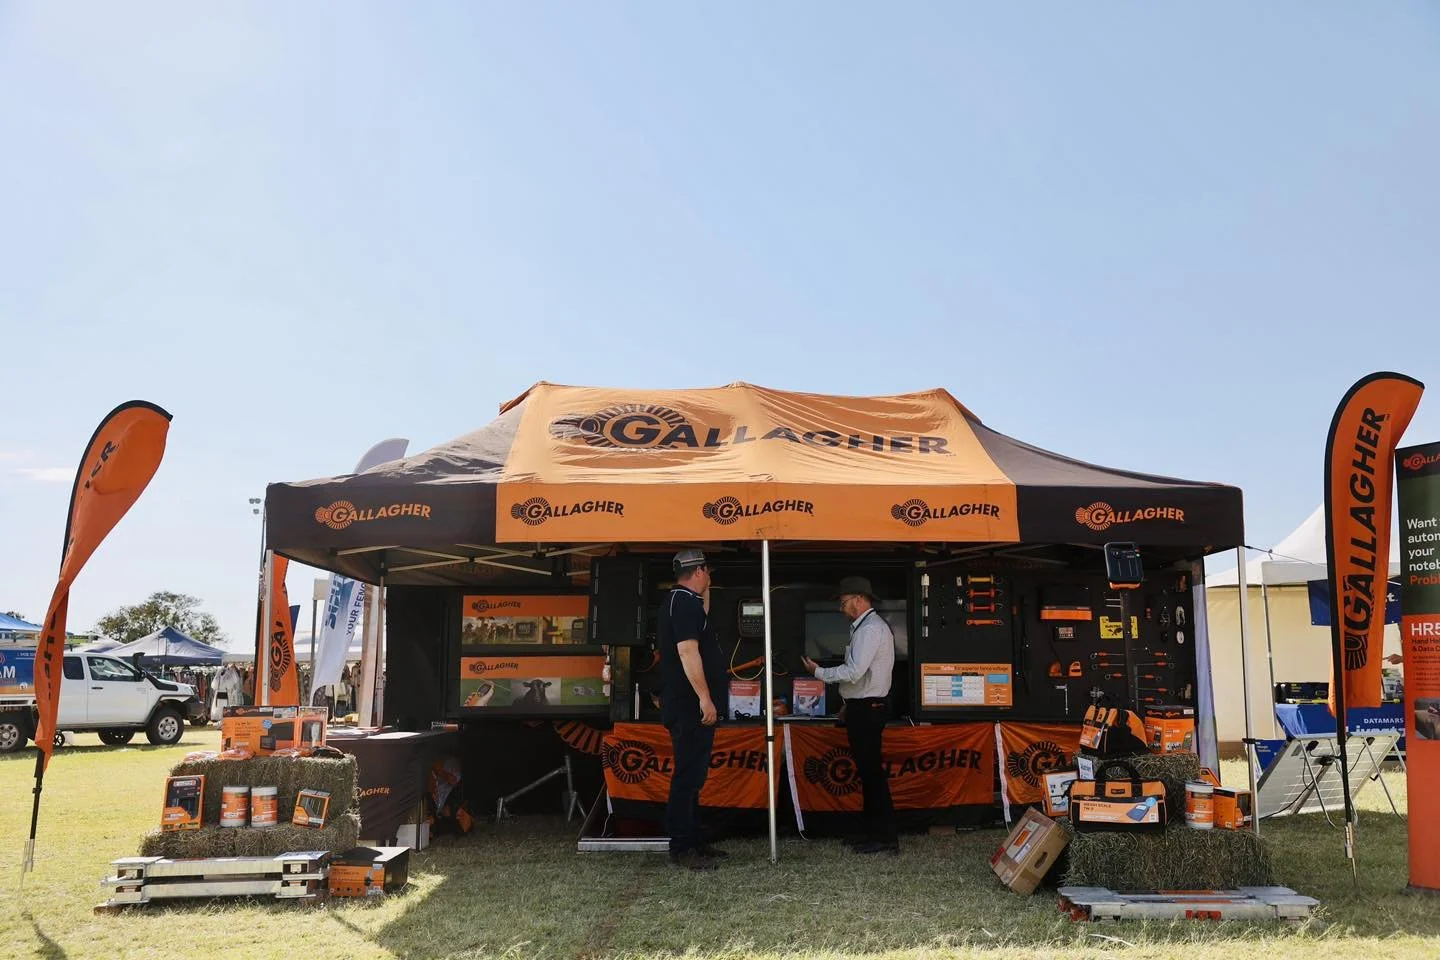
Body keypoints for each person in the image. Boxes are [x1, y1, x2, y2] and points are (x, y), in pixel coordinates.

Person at [802, 576, 898, 854]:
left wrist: (819, 672)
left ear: (858, 599)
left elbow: (854, 672)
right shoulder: (869, 627)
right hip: (864, 706)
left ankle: (884, 838)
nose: (841, 608)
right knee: (868, 773)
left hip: (868, 709)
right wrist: (849, 703)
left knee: (872, 774)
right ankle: (873, 833)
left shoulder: (869, 630)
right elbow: (862, 677)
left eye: (844, 602)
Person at [658, 548, 729, 870]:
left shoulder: (686, 602)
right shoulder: (683, 604)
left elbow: (703, 611)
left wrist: (706, 585)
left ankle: (695, 840)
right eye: (707, 572)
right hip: (689, 705)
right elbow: (688, 652)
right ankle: (682, 846)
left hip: (690, 704)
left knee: (695, 775)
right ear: (699, 572)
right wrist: (704, 698)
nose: (709, 577)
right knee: (687, 776)